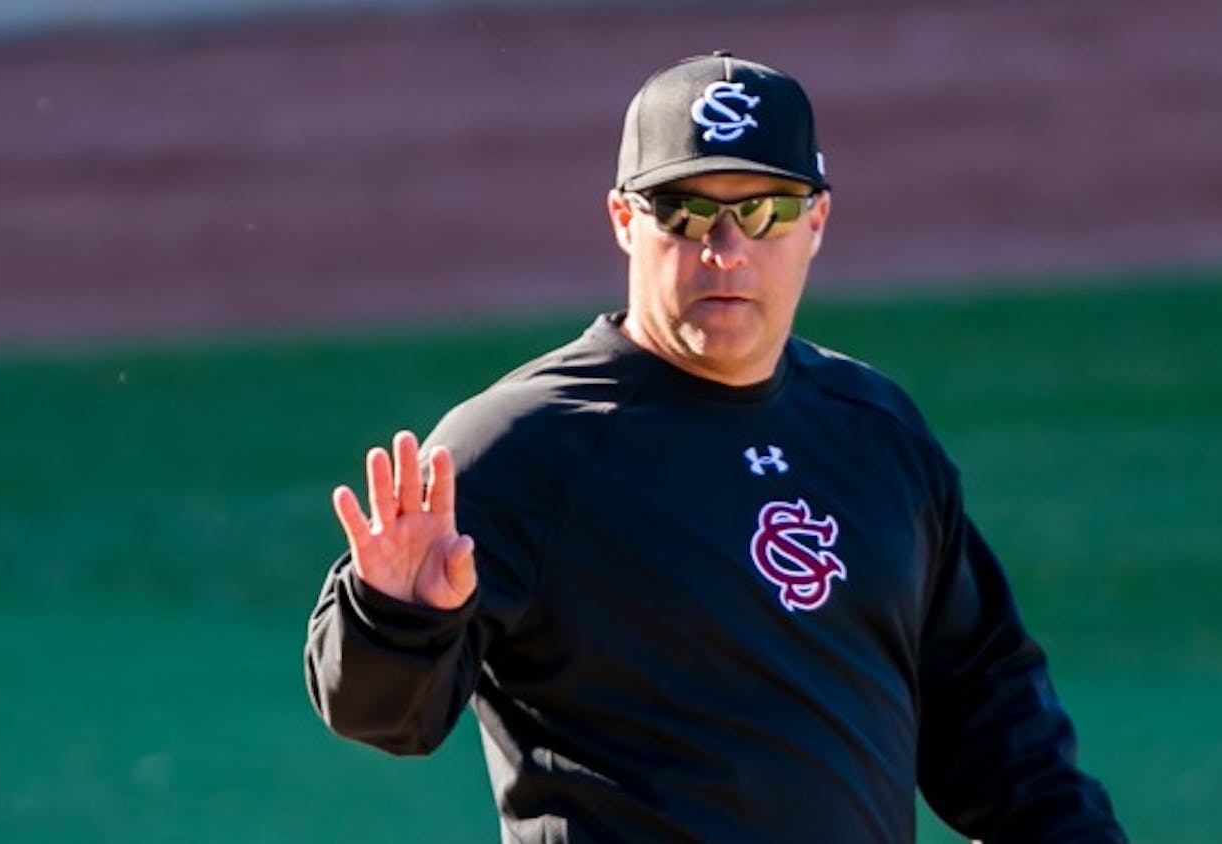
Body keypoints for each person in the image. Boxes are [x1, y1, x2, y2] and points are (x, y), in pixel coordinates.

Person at [304, 50, 1126, 843]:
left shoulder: (873, 430)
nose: (725, 250)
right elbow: (384, 717)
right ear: (625, 219)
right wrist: (395, 619)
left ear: (817, 222)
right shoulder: (527, 448)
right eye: (686, 211)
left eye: (764, 211)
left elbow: (987, 706)